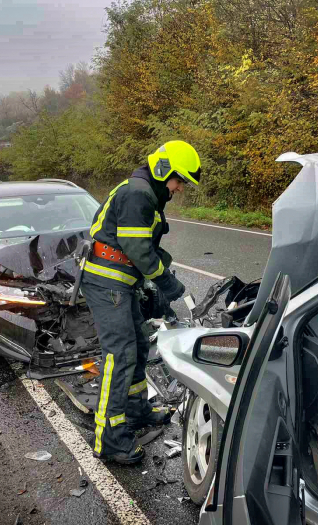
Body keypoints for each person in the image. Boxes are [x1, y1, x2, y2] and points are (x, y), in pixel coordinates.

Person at [81, 140, 201, 464]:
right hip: (107, 283)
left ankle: (135, 412)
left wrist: (163, 279)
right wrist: (170, 285)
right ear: (164, 170)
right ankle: (109, 437)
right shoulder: (139, 193)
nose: (178, 189)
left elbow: (143, 247)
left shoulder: (145, 192)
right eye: (179, 180)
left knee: (135, 346)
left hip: (120, 283)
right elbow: (138, 249)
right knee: (118, 356)